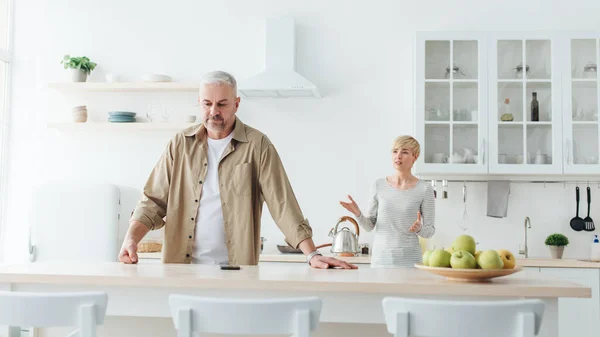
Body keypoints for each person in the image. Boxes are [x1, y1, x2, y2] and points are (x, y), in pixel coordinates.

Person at [119, 70, 356, 270]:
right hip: (182, 270)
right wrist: (131, 239)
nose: (214, 111)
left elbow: (282, 204)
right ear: (199, 103)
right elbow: (152, 201)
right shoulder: (180, 144)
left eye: (222, 104)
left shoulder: (258, 145)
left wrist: (311, 254)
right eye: (207, 103)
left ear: (236, 104)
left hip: (236, 271)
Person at [340, 136, 435, 268]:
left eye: (405, 152)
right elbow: (369, 226)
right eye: (395, 151)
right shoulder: (378, 185)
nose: (398, 156)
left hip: (410, 261)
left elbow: (430, 231)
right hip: (381, 260)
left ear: (415, 157)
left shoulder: (425, 188)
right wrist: (357, 213)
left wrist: (419, 229)